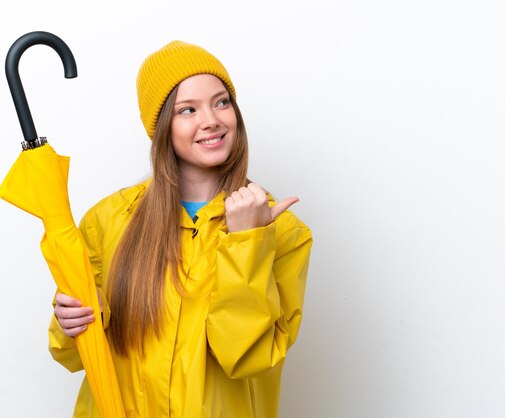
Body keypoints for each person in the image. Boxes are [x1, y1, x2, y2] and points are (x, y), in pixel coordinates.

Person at [48, 40, 313, 418]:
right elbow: (74, 355)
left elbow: (247, 357)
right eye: (188, 109)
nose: (211, 120)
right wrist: (68, 324)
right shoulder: (109, 220)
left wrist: (246, 243)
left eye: (221, 102)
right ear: (161, 129)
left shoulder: (281, 231)